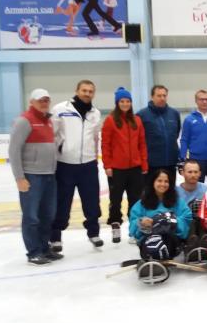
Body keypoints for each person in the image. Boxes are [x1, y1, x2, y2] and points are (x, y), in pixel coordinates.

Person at [9, 89, 62, 265]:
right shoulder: (24, 121)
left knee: (48, 215)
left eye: (47, 100)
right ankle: (34, 252)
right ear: (32, 102)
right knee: (31, 216)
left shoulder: (48, 121)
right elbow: (14, 150)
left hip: (49, 175)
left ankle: (44, 249)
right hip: (32, 176)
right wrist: (19, 177)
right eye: (40, 100)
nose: (44, 103)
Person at [50, 80, 103, 251]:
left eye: (90, 91)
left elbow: (95, 137)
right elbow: (52, 135)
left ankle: (93, 233)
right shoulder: (61, 109)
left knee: (92, 202)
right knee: (62, 202)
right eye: (84, 90)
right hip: (65, 164)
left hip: (88, 165)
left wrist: (94, 158)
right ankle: (55, 236)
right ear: (77, 90)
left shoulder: (95, 113)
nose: (87, 94)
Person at [128, 169, 192, 283]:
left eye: (166, 181)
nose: (163, 184)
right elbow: (132, 227)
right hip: (148, 239)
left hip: (171, 240)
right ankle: (154, 256)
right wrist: (141, 222)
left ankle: (155, 258)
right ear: (153, 182)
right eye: (159, 180)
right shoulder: (141, 203)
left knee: (164, 225)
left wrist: (172, 221)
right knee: (152, 240)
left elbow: (187, 218)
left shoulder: (177, 201)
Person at [101, 87, 147, 244]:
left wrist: (144, 164)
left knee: (135, 200)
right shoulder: (110, 120)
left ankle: (134, 229)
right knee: (116, 199)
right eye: (122, 101)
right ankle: (115, 224)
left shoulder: (137, 120)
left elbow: (142, 144)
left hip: (135, 167)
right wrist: (107, 165)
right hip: (117, 168)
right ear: (117, 103)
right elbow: (105, 144)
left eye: (128, 101)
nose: (125, 104)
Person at [137, 85, 181, 186]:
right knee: (150, 193)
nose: (162, 98)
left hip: (170, 162)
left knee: (170, 191)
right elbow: (138, 140)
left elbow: (176, 133)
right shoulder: (141, 115)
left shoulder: (174, 114)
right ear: (152, 97)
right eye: (159, 95)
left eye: (164, 95)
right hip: (151, 164)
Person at [175, 160, 207, 264]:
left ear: (200, 173)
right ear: (182, 172)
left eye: (195, 172)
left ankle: (206, 244)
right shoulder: (174, 192)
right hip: (185, 226)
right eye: (189, 172)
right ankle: (191, 246)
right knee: (189, 224)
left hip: (202, 223)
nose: (193, 175)